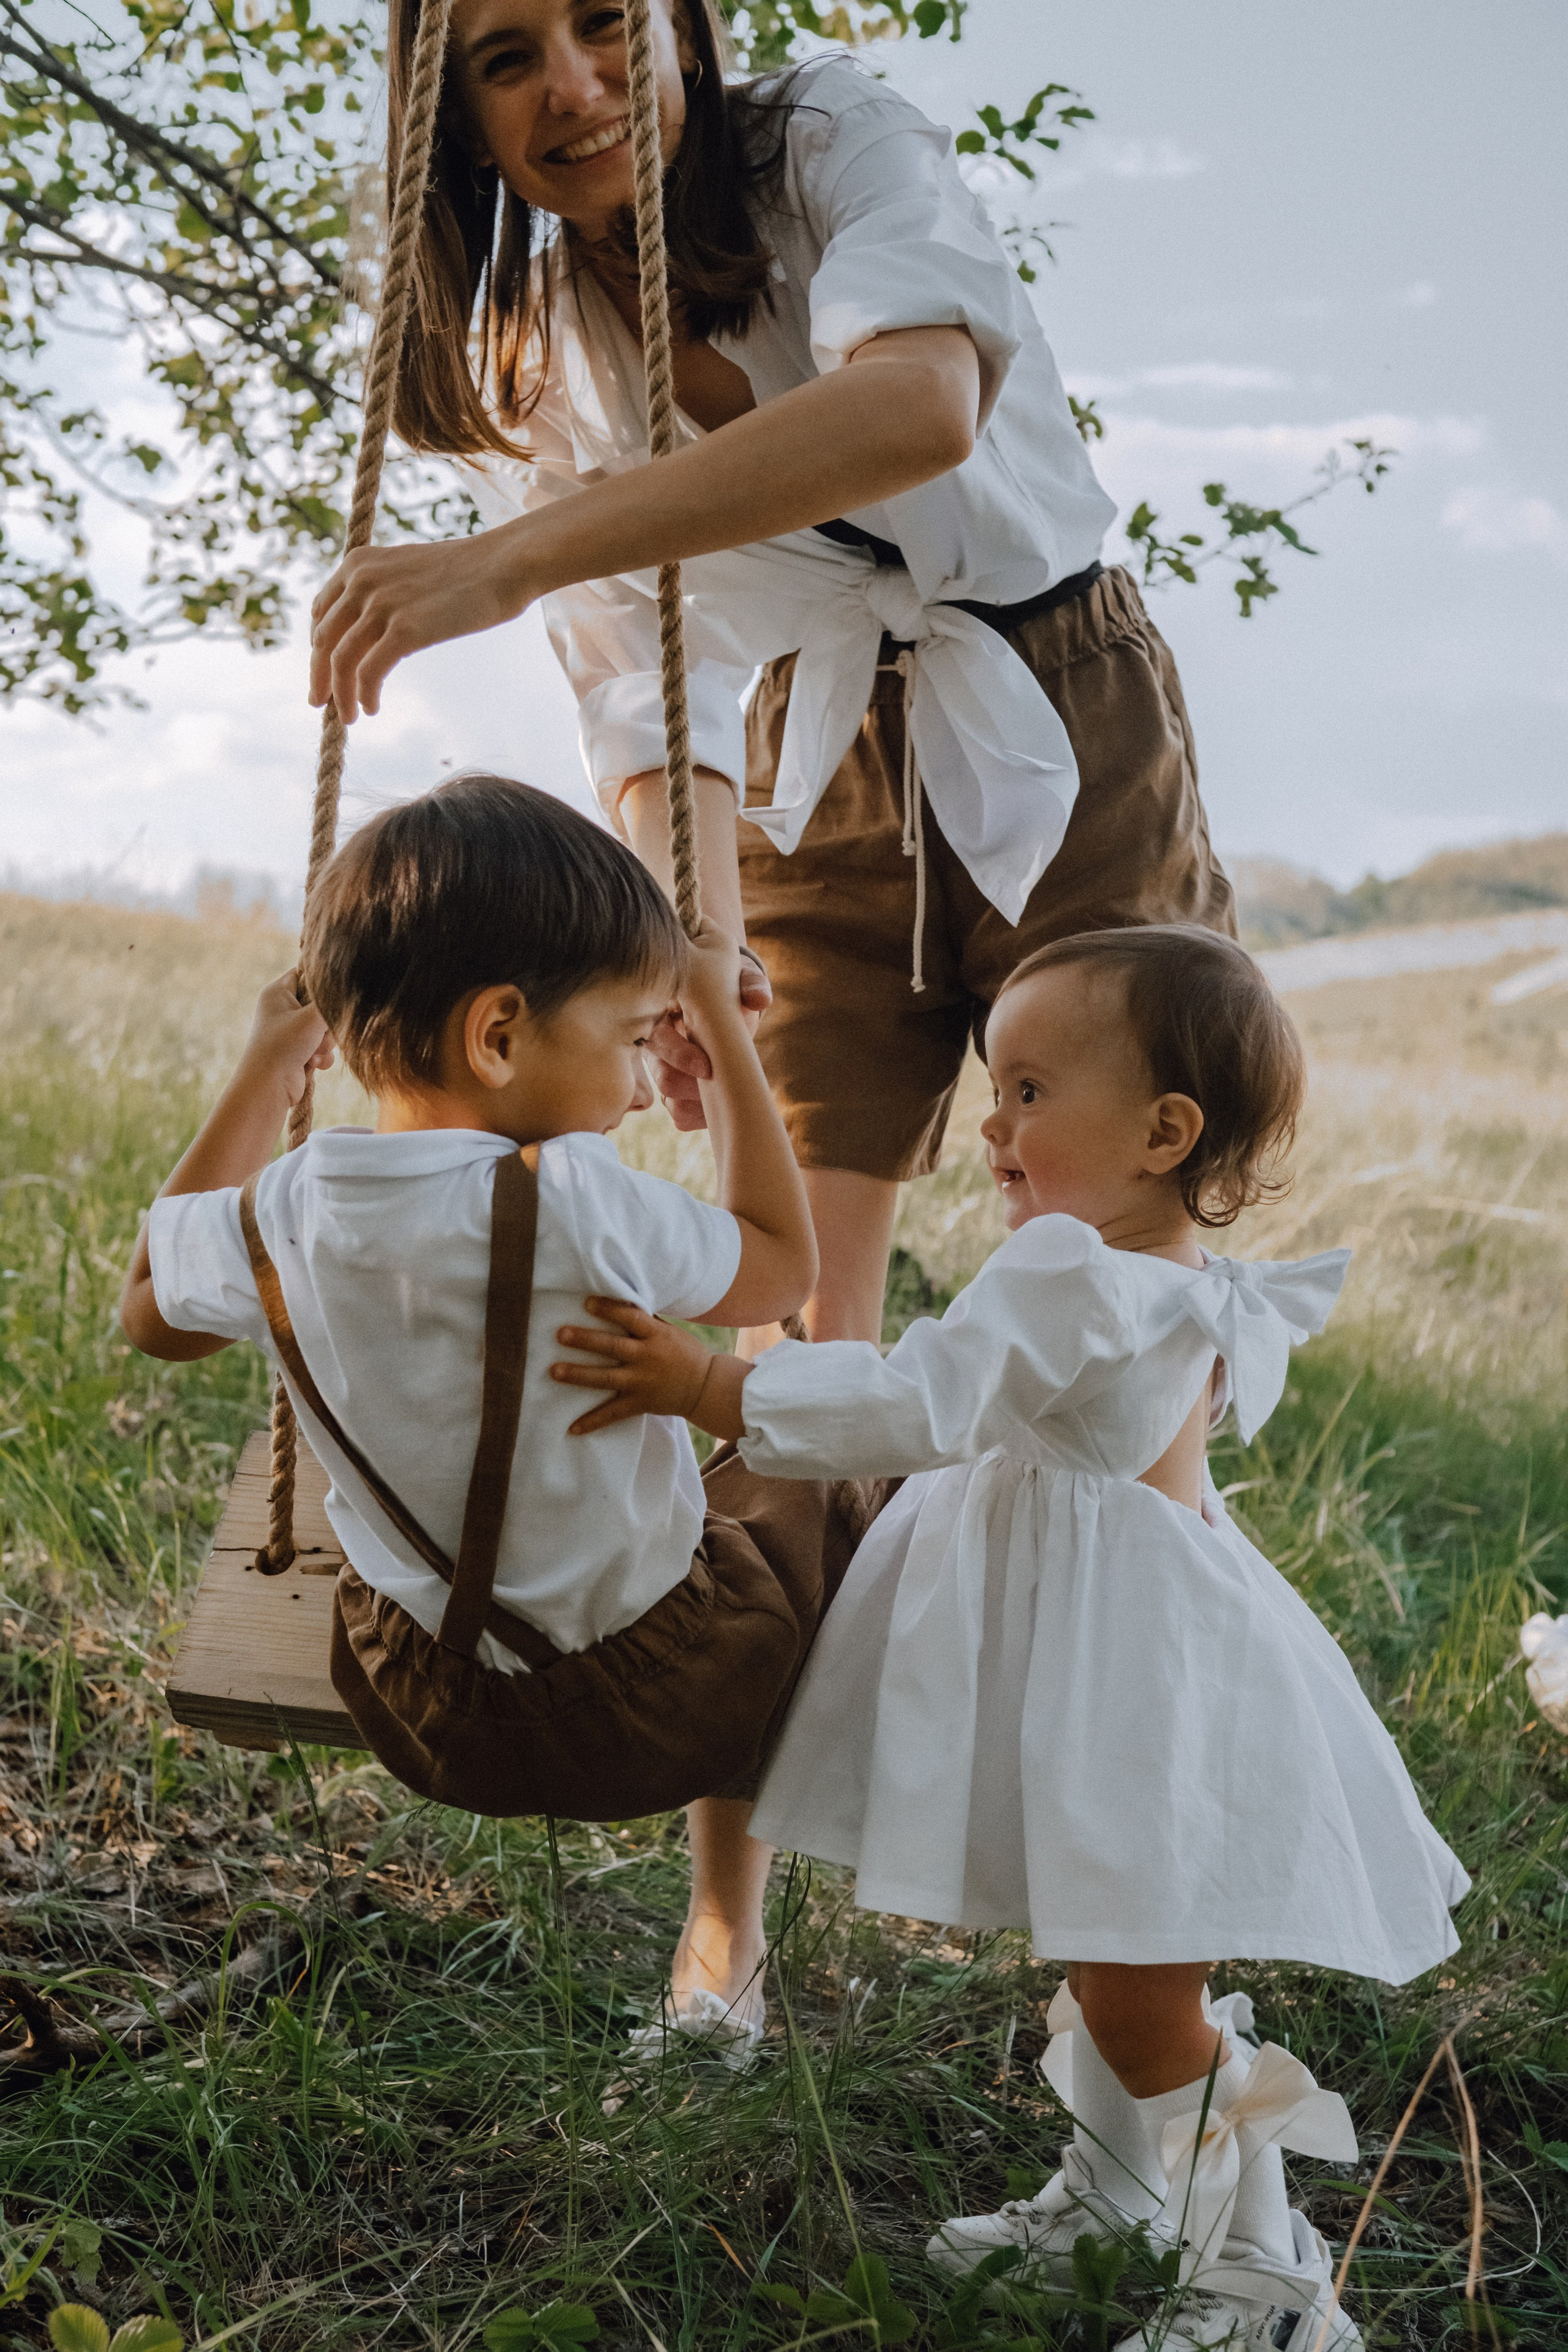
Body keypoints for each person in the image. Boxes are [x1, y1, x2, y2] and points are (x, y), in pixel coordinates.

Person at [548, 925, 1469, 2352]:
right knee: (1114, 1975)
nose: (991, 1123)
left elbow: (924, 1402)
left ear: (1163, 1132)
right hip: (1141, 1664)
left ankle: (1266, 2288)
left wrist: (711, 1384)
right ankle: (1114, 2209)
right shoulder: (1169, 1273)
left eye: (1031, 1092)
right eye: (994, 1088)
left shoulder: (1063, 1270)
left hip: (1128, 1679)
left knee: (1147, 2003)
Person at [307, 0, 1235, 1356]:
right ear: (461, 122)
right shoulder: (538, 360)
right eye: (506, 63)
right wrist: (703, 945)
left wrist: (506, 561)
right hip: (812, 748)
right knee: (797, 1288)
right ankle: (807, 1543)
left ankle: (1100, 1541)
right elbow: (646, 694)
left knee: (1107, 1232)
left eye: (602, 23)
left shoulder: (828, 139)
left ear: (678, 25)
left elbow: (919, 405)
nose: (571, 87)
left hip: (1053, 698)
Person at [119, 775, 890, 2065]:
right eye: (638, 1036)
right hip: (666, 1696)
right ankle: (804, 1823)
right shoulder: (578, 1196)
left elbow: (151, 1308)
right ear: (496, 1037)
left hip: (419, 1711)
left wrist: (268, 1063)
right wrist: (729, 1030)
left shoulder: (280, 1216)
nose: (650, 1083)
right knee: (810, 1453)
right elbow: (776, 1271)